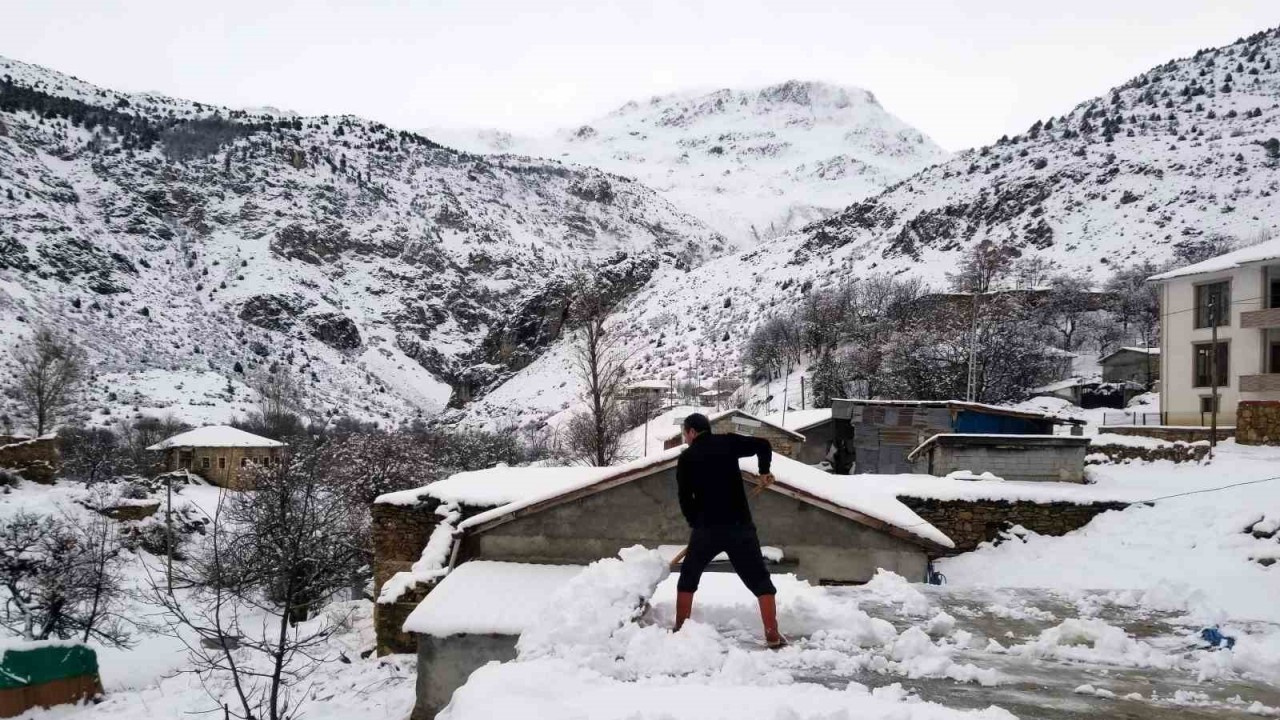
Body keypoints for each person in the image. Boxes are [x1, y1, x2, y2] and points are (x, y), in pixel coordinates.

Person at [673, 412, 785, 648]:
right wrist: (764, 471)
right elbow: (763, 445)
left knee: (688, 576)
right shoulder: (727, 442)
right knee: (759, 579)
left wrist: (697, 523)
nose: (685, 438)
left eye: (685, 433)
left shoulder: (687, 458)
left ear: (692, 432)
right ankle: (772, 634)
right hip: (740, 527)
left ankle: (680, 629)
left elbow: (685, 498)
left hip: (707, 529)